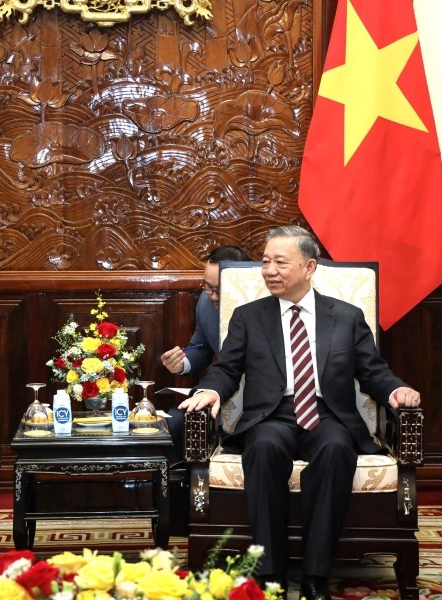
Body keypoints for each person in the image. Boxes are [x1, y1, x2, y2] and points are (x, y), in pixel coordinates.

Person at [178, 225, 421, 600]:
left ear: (309, 267)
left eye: (280, 262)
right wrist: (209, 390)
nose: (269, 270)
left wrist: (396, 390)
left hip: (328, 415)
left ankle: (316, 575)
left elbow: (372, 372)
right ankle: (269, 573)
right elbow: (226, 369)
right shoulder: (248, 316)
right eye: (265, 262)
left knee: (336, 449)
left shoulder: (346, 316)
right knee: (263, 449)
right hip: (271, 416)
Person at [159, 245, 251, 462]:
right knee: (175, 420)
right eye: (207, 287)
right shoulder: (206, 302)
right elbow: (201, 347)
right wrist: (182, 362)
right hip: (218, 390)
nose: (212, 296)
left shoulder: (261, 304)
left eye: (219, 290)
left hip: (255, 396)